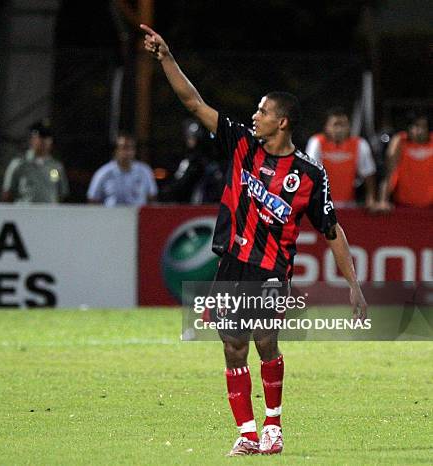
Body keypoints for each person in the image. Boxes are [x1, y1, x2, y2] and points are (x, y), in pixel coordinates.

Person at [140, 24, 367, 456]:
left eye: (262, 112)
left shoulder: (309, 175)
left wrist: (353, 285)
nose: (254, 116)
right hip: (231, 263)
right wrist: (166, 57)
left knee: (264, 339)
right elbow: (193, 102)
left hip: (270, 268)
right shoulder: (242, 143)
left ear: (281, 121)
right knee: (232, 345)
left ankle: (274, 427)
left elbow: (332, 231)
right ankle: (246, 432)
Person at [305, 107, 376, 208]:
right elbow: (310, 173)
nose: (339, 129)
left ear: (349, 127)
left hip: (349, 205)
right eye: (335, 125)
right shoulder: (317, 142)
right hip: (322, 205)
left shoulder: (359, 144)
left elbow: (368, 173)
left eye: (343, 125)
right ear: (326, 127)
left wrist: (371, 199)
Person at [2, 121, 69, 203]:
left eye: (48, 138)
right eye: (40, 137)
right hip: (25, 213)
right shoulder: (19, 164)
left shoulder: (56, 166)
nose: (44, 141)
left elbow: (61, 193)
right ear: (32, 139)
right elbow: (7, 193)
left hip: (48, 213)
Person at [160, 119, 224, 204]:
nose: (191, 140)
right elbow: (179, 181)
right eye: (189, 137)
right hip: (187, 200)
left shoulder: (206, 160)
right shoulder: (184, 158)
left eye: (193, 138)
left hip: (204, 200)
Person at [87, 132, 157, 206]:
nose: (126, 152)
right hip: (111, 215)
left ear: (134, 151)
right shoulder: (103, 172)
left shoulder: (144, 171)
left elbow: (152, 197)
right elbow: (93, 199)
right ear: (116, 150)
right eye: (123, 148)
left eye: (130, 148)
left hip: (137, 215)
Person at [378, 113, 432, 209]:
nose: (418, 130)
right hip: (403, 206)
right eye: (415, 126)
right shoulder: (400, 141)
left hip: (430, 207)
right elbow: (390, 172)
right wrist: (383, 200)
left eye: (422, 126)